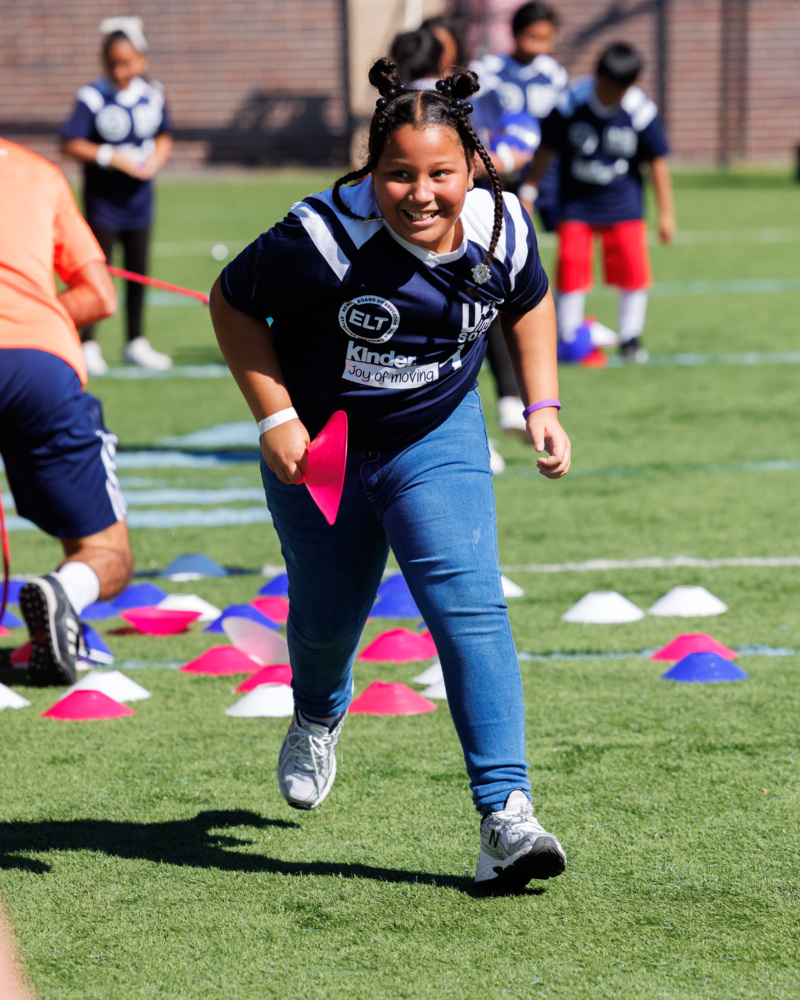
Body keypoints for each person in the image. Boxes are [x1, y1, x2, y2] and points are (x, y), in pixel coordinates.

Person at [210, 58, 571, 891]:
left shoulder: (504, 226)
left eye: (439, 173)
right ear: (370, 171)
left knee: (468, 606)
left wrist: (542, 403)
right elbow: (231, 306)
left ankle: (506, 814)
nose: (419, 193)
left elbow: (531, 300)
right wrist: (276, 418)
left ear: (472, 167)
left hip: (434, 438)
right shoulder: (322, 235)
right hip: (324, 449)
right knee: (329, 622)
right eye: (397, 173)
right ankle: (316, 711)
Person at [0, 138, 133, 686]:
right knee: (105, 551)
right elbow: (99, 296)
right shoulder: (37, 172)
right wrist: (35, 312)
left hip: (37, 360)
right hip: (39, 367)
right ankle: (64, 591)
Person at [521, 41, 676, 362]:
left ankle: (631, 336)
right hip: (577, 202)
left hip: (623, 203)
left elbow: (657, 161)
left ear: (630, 86)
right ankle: (568, 334)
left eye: (616, 90)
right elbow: (546, 149)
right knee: (571, 265)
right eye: (604, 87)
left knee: (633, 268)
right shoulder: (570, 102)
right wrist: (530, 189)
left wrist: (667, 213)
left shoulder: (640, 110)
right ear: (596, 76)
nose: (608, 96)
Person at [470, 2, 568, 436]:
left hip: (535, 180)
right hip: (491, 180)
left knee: (525, 280)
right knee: (492, 281)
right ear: (514, 34)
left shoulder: (554, 75)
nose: (539, 47)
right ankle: (508, 395)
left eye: (546, 39)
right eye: (532, 37)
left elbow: (550, 136)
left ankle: (519, 391)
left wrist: (531, 188)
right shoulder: (487, 72)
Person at [60, 15, 173, 375]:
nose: (121, 70)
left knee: (138, 271)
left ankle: (135, 341)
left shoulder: (152, 93)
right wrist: (112, 157)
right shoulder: (92, 96)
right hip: (103, 202)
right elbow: (70, 141)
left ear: (142, 58)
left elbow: (164, 134)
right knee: (96, 271)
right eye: (113, 62)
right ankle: (87, 342)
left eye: (127, 61)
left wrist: (155, 161)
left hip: (140, 201)